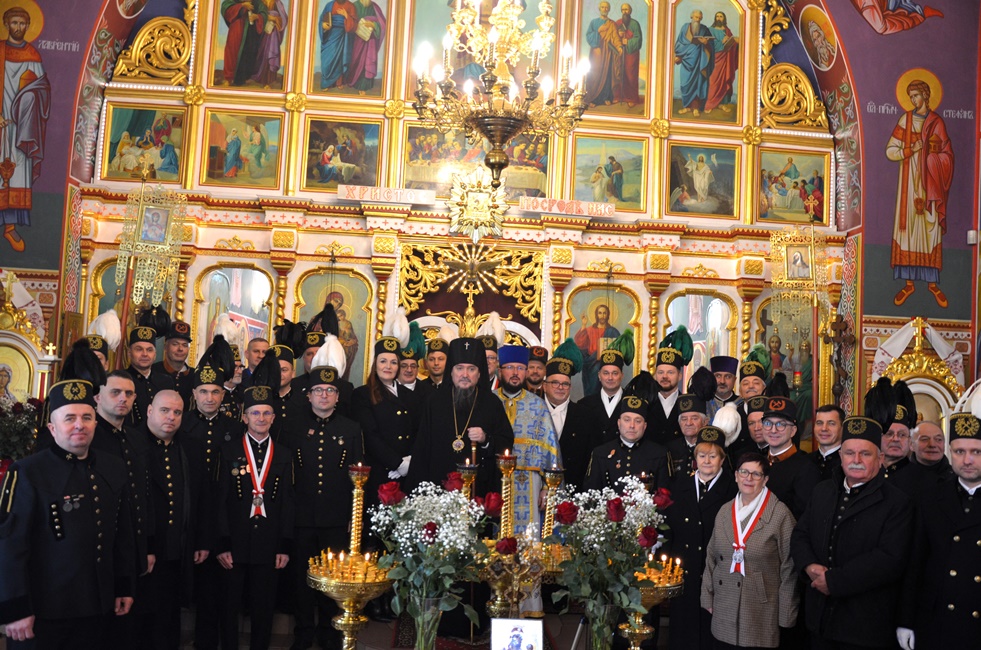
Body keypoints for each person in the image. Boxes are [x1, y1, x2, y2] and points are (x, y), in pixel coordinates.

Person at [0, 379, 136, 648]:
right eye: (69, 418)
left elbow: (122, 534)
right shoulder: (27, 472)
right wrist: (16, 608)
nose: (79, 425)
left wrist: (124, 586)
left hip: (97, 606)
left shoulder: (113, 467)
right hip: (43, 611)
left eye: (86, 417)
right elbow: (9, 545)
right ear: (52, 428)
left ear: (95, 423)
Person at [791, 416, 913, 649]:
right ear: (841, 456)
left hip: (863, 626)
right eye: (849, 453)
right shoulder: (822, 491)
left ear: (880, 458)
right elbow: (800, 535)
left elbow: (889, 559)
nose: (856, 460)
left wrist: (833, 581)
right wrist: (808, 565)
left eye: (865, 454)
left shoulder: (897, 502)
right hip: (818, 620)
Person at [285, 365, 363, 650]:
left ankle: (329, 633)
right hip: (301, 516)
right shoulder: (292, 427)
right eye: (318, 390)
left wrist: (354, 517)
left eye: (330, 390)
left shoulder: (351, 429)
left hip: (336, 517)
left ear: (338, 396)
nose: (324, 395)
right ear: (309, 395)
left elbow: (359, 479)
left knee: (332, 578)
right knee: (302, 578)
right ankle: (303, 632)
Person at [216, 385, 295, 650]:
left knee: (264, 606)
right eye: (255, 413)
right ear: (245, 417)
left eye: (266, 413)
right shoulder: (228, 451)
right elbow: (220, 500)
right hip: (235, 542)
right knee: (229, 605)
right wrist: (222, 543)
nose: (261, 418)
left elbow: (288, 503)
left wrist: (284, 545)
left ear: (273, 418)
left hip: (269, 543)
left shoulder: (284, 454)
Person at [897, 411, 981, 649]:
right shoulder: (931, 497)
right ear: (950, 452)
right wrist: (905, 620)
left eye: (976, 452)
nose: (967, 460)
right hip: (937, 621)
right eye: (959, 451)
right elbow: (915, 562)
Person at [701, 452, 798, 649]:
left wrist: (786, 614)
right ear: (736, 475)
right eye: (744, 472)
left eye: (756, 474)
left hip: (760, 608)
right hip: (724, 603)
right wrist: (706, 596)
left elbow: (790, 568)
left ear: (765, 479)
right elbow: (711, 556)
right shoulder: (724, 511)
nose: (749, 478)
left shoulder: (780, 514)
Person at [139, 390, 210, 650]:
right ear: (150, 411)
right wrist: (144, 546)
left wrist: (201, 541)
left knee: (170, 612)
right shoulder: (134, 444)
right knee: (142, 615)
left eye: (177, 412)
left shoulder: (191, 446)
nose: (171, 417)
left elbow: (202, 496)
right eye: (164, 410)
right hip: (144, 549)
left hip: (178, 547)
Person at [405, 337, 514, 498]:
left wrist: (485, 439)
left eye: (471, 369)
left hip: (478, 490)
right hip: (437, 488)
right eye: (459, 368)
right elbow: (421, 449)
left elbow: (505, 442)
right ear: (451, 371)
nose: (465, 375)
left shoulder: (491, 403)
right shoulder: (434, 402)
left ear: (479, 373)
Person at [181, 361, 241, 650]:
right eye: (203, 391)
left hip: (223, 511)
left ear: (223, 394)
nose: (209, 398)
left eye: (215, 391)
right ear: (194, 393)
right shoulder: (182, 425)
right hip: (189, 510)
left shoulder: (234, 428)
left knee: (219, 584)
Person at [665, 425, 736, 650]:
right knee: (683, 632)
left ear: (722, 459)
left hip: (716, 574)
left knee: (710, 634)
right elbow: (669, 530)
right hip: (683, 571)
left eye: (712, 456)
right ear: (695, 458)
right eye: (702, 455)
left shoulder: (733, 490)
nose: (707, 461)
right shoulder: (679, 486)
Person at [886, 79, 953, 308]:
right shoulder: (905, 120)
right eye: (911, 96)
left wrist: (934, 159)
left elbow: (948, 155)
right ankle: (909, 284)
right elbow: (890, 150)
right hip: (908, 187)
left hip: (930, 186)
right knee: (908, 232)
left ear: (925, 95)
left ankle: (933, 284)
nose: (913, 100)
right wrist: (909, 150)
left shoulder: (937, 123)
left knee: (929, 231)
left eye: (916, 95)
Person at [0, 6, 50, 254]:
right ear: (6, 24)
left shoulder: (32, 54)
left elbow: (42, 89)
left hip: (21, 129)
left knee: (16, 175)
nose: (18, 27)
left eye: (22, 23)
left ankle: (9, 228)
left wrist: (27, 104)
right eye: (14, 23)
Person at [495, 345, 559, 535]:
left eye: (521, 368)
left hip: (529, 481)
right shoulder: (489, 401)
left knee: (528, 538)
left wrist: (547, 487)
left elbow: (551, 448)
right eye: (510, 367)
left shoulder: (538, 405)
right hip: (494, 478)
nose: (515, 373)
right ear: (500, 371)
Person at [352, 337, 420, 516]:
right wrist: (397, 463)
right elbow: (369, 435)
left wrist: (410, 461)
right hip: (380, 473)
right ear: (375, 364)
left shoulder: (410, 395)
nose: (388, 366)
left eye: (393, 362)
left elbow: (419, 431)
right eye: (383, 361)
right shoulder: (362, 395)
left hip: (407, 473)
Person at [584, 396, 670, 492]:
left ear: (645, 426)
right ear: (619, 423)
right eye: (627, 420)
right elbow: (591, 491)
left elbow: (664, 494)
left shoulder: (659, 454)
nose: (632, 426)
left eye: (638, 421)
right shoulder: (600, 453)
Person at [542, 342, 594, 492]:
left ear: (570, 387)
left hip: (572, 491)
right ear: (544, 386)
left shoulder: (585, 416)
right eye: (555, 383)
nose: (560, 387)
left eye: (565, 384)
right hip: (537, 490)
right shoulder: (533, 412)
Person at [759, 397, 820, 520]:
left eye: (781, 424)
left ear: (793, 431)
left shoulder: (805, 469)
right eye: (768, 423)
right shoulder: (759, 462)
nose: (773, 430)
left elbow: (803, 517)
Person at [577, 347, 626, 443]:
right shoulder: (584, 404)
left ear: (622, 376)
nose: (610, 378)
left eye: (615, 373)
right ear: (599, 375)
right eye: (606, 373)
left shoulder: (631, 402)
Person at [892, 420, 954, 495]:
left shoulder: (958, 477)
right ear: (911, 445)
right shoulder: (897, 479)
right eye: (924, 439)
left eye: (938, 439)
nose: (932, 445)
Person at [648, 337, 688, 445]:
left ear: (680, 376)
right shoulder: (646, 403)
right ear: (655, 375)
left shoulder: (687, 404)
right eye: (660, 372)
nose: (664, 376)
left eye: (670, 372)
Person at [575, 304, 621, 396]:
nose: (602, 316)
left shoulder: (613, 331)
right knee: (592, 393)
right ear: (596, 315)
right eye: (600, 313)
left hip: (607, 363)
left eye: (604, 313)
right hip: (590, 364)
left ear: (608, 315)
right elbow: (580, 343)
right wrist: (583, 325)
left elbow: (619, 349)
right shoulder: (589, 330)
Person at [674, 10, 714, 117]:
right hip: (686, 61)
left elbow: (711, 43)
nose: (698, 20)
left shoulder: (704, 29)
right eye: (696, 17)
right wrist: (679, 55)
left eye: (700, 18)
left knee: (698, 84)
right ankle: (687, 107)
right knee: (685, 84)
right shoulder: (685, 27)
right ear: (691, 16)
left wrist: (706, 43)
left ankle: (695, 108)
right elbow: (679, 42)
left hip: (699, 62)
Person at [220, 0, 267, 85]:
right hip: (237, 30)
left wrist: (257, 17)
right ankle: (229, 78)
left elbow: (264, 13)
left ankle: (244, 78)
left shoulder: (257, 2)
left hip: (252, 34)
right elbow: (225, 8)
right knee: (232, 52)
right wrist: (241, 6)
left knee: (249, 53)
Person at [583, 1, 621, 107]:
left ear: (609, 9)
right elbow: (589, 36)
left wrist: (619, 46)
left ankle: (606, 97)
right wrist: (599, 31)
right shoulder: (594, 22)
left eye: (606, 7)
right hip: (597, 52)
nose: (605, 9)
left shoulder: (612, 23)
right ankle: (592, 98)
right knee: (595, 73)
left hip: (608, 52)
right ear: (599, 9)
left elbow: (615, 37)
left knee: (607, 73)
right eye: (603, 7)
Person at [344, 0, 387, 94]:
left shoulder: (375, 7)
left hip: (371, 41)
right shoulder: (354, 5)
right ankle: (354, 82)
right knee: (356, 60)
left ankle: (364, 86)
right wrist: (357, 24)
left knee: (367, 62)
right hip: (356, 40)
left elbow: (383, 25)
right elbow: (349, 22)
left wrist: (374, 25)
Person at [151, 320, 195, 411]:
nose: (180, 349)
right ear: (165, 347)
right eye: (175, 344)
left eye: (184, 345)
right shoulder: (152, 372)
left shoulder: (196, 375)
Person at [667, 394, 710, 477]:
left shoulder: (713, 448)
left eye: (694, 418)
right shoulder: (669, 449)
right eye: (684, 419)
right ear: (679, 423)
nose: (689, 423)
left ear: (705, 422)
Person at [320, 0, 359, 90]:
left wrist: (346, 15)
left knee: (340, 60)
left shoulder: (350, 6)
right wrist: (323, 25)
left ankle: (339, 82)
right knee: (327, 59)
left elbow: (355, 25)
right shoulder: (329, 5)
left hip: (343, 36)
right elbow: (322, 20)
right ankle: (327, 83)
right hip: (330, 36)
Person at [704, 12, 737, 114]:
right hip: (714, 59)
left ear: (724, 18)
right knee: (712, 81)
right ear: (715, 18)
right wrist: (721, 42)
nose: (719, 18)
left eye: (721, 16)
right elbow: (708, 44)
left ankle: (722, 104)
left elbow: (732, 43)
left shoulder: (727, 31)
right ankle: (710, 104)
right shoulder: (710, 30)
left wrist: (733, 41)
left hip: (725, 59)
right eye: (717, 16)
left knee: (724, 81)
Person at [126, 325, 159, 426]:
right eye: (139, 349)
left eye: (149, 350)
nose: (145, 354)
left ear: (155, 355)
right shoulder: (121, 380)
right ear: (129, 353)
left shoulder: (165, 381)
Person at [251, 0, 288, 87]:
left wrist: (274, 18)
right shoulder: (260, 2)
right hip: (262, 33)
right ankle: (260, 77)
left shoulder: (277, 3)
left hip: (273, 34)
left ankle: (268, 81)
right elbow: (254, 15)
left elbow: (284, 19)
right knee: (261, 53)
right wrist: (264, 17)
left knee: (270, 53)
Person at [614, 4, 643, 107]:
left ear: (630, 11)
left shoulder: (635, 24)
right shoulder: (618, 23)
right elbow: (613, 36)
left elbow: (638, 39)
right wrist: (619, 36)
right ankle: (618, 96)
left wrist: (628, 42)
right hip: (620, 52)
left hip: (631, 53)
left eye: (626, 9)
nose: (624, 11)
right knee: (618, 73)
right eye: (623, 9)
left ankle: (631, 98)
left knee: (630, 74)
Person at [808, 404, 844, 481]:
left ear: (842, 428)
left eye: (831, 423)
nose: (824, 428)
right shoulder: (804, 462)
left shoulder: (848, 463)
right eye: (819, 423)